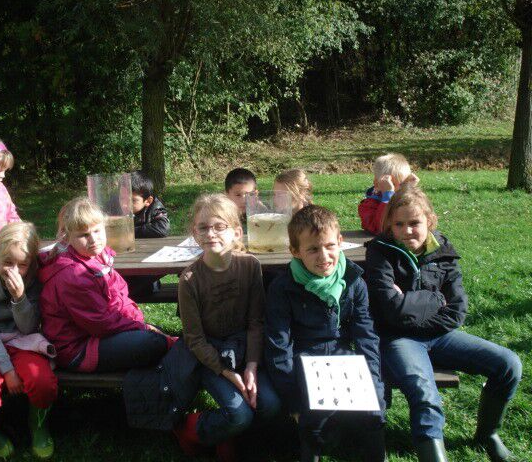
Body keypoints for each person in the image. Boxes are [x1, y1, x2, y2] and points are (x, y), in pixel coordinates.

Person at [365, 185, 522, 462]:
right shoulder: (380, 253)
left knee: (508, 364)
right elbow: (390, 310)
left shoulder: (444, 252)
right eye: (399, 224)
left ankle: (488, 433)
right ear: (389, 224)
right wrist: (436, 299)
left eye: (415, 223)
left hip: (441, 335)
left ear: (430, 221)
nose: (407, 231)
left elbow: (457, 311)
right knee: (425, 392)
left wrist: (410, 307)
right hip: (399, 340)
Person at [265, 205, 386, 462]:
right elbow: (278, 345)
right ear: (295, 251)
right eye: (312, 249)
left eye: (330, 246)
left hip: (343, 355)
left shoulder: (354, 281)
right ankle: (312, 448)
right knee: (312, 413)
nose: (324, 256)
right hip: (304, 356)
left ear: (340, 242)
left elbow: (366, 335)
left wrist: (373, 378)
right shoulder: (283, 287)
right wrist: (292, 397)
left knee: (374, 409)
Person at [174, 194, 281, 461]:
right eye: (203, 227)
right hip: (211, 357)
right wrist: (228, 374)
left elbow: (256, 322)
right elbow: (195, 339)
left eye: (219, 226)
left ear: (236, 232)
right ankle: (190, 428)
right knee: (239, 413)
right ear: (195, 234)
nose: (211, 233)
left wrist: (252, 366)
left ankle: (232, 433)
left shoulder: (250, 266)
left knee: (270, 405)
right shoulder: (189, 279)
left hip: (245, 349)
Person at [38, 197, 172, 373]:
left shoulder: (99, 256)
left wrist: (136, 320)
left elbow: (119, 295)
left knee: (156, 336)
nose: (93, 239)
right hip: (78, 348)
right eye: (84, 235)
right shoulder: (72, 274)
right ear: (67, 237)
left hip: (98, 333)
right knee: (154, 342)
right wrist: (140, 327)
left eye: (97, 230)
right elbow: (100, 322)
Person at [0, 222, 57, 459]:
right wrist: (7, 370)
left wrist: (19, 297)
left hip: (22, 339)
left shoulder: (34, 276)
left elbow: (28, 328)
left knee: (43, 383)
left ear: (31, 263)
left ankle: (38, 425)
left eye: (22, 264)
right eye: (7, 262)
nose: (13, 270)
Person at [358, 153, 418, 235]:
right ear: (377, 184)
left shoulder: (406, 196)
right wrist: (387, 197)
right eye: (391, 184)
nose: (399, 189)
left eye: (403, 184)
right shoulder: (368, 206)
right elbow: (380, 228)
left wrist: (411, 189)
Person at [130, 169, 170, 238]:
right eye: (122, 198)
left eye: (133, 200)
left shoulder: (155, 208)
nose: (125, 204)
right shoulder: (115, 205)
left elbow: (162, 229)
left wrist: (129, 232)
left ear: (148, 201)